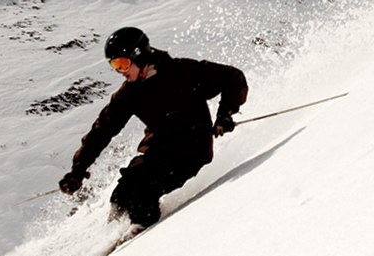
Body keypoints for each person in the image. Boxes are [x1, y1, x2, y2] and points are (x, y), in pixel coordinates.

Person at [59, 27, 248, 230]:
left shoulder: (182, 72)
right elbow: (103, 129)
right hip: (160, 149)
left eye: (122, 64)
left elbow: (233, 78)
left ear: (138, 56)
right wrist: (78, 169)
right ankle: (115, 234)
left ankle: (144, 232)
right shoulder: (130, 93)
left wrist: (225, 114)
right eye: (114, 65)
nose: (120, 71)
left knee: (142, 194)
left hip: (192, 149)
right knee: (121, 195)